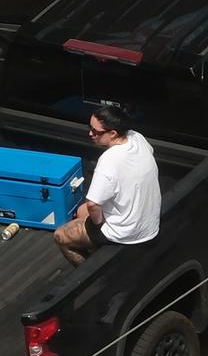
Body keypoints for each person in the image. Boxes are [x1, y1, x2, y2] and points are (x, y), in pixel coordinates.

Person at [53, 106, 161, 265]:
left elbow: (93, 204)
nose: (90, 134)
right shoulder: (137, 138)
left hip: (126, 233)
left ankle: (90, 275)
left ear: (112, 133)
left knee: (61, 236)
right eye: (89, 127)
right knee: (81, 211)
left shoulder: (109, 160)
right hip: (149, 224)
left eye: (96, 132)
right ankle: (97, 249)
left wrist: (98, 226)